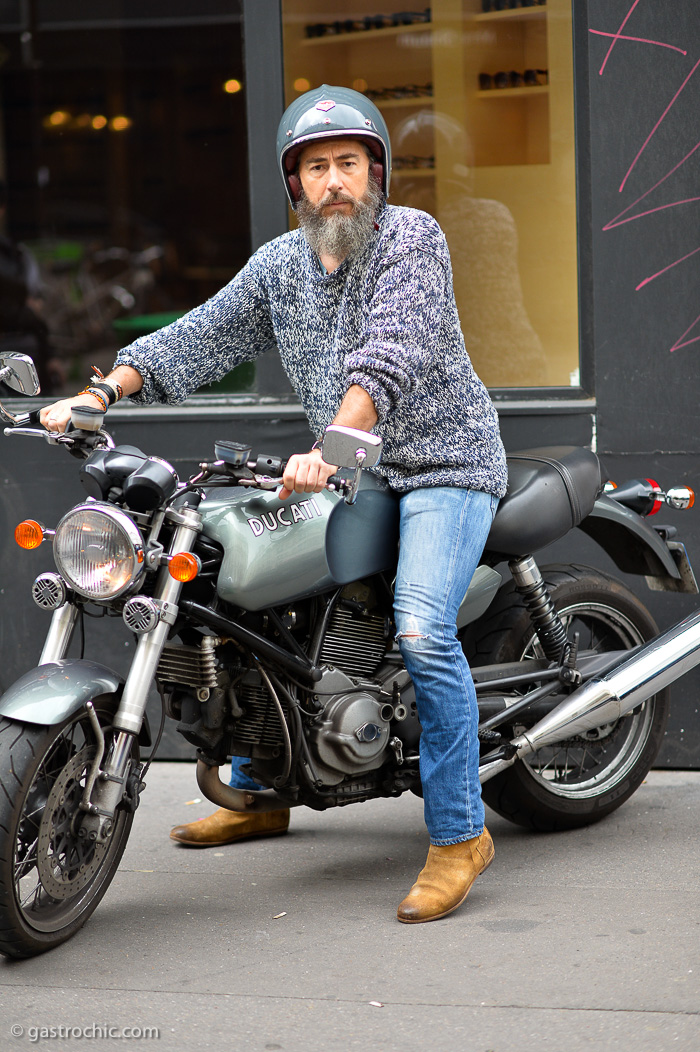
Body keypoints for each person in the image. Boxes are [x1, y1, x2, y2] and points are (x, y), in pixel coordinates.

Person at [40, 85, 508, 924]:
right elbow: (200, 335)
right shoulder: (280, 265)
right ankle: (261, 790)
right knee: (243, 602)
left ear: (377, 173)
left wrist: (330, 449)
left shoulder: (412, 241)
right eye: (317, 168)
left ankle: (459, 834)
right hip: (348, 472)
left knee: (421, 628)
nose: (335, 183)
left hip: (442, 464)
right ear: (296, 184)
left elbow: (386, 359)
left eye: (350, 165)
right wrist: (103, 390)